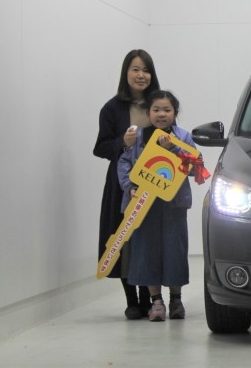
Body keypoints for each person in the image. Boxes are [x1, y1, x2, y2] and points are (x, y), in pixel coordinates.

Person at [117, 90, 198, 322]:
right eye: (156, 110)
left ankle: (176, 300)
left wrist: (174, 149)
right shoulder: (137, 137)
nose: (161, 114)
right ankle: (156, 302)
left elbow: (194, 167)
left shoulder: (183, 137)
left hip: (174, 205)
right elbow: (124, 162)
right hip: (144, 204)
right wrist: (130, 187)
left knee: (175, 251)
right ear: (148, 113)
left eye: (167, 110)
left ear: (175, 113)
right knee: (146, 251)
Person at [93, 49, 161, 319]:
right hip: (122, 185)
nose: (141, 75)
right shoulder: (111, 108)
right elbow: (100, 147)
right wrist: (122, 142)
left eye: (146, 70)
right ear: (126, 73)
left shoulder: (159, 104)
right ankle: (132, 301)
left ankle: (150, 298)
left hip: (154, 183)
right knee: (124, 237)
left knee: (148, 238)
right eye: (136, 69)